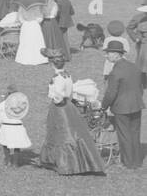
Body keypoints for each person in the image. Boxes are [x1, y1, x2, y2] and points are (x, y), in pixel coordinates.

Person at [37, 50, 105, 175]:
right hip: (69, 107)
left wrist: (51, 91)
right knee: (73, 133)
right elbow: (69, 92)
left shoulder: (57, 78)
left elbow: (58, 97)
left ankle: (66, 164)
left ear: (51, 64)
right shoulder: (67, 75)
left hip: (59, 108)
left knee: (61, 134)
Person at [102, 40, 144, 170]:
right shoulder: (134, 67)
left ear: (116, 54)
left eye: (108, 53)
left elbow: (111, 93)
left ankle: (128, 163)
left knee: (124, 135)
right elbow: (141, 87)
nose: (106, 56)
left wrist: (104, 106)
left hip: (122, 108)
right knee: (135, 134)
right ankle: (137, 161)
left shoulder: (115, 72)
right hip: (137, 105)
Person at [0, 88, 31, 169]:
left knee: (5, 144)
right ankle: (15, 163)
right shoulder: (19, 105)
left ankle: (8, 161)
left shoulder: (3, 105)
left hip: (6, 127)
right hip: (17, 127)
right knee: (17, 145)